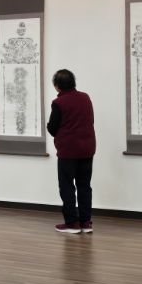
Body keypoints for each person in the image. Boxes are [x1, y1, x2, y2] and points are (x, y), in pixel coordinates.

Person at [46, 69, 96, 234]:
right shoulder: (85, 97)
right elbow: (91, 120)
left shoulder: (58, 103)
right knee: (84, 186)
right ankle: (86, 222)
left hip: (68, 151)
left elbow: (52, 129)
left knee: (67, 186)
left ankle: (71, 223)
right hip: (87, 149)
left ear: (57, 85)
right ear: (73, 82)